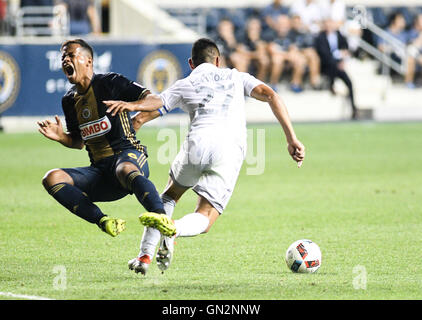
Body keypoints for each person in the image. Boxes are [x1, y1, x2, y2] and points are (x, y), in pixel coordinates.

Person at [104, 38, 305, 274]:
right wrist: (291, 138)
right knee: (206, 215)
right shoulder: (236, 76)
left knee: (168, 196)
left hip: (196, 144)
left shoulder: (186, 83)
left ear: (191, 63)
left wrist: (132, 106)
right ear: (218, 60)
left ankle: (144, 257)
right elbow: (271, 95)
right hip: (229, 150)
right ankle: (174, 228)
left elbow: (156, 103)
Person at [38, 39, 166, 240]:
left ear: (88, 60)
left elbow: (155, 100)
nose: (65, 60)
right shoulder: (69, 100)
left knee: (123, 168)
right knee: (52, 178)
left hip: (129, 157)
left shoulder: (111, 82)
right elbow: (79, 142)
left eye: (70, 55)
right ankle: (103, 221)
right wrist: (62, 137)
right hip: (101, 173)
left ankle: (161, 216)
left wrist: (132, 107)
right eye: (62, 56)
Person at [315, 18, 358, 120]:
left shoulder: (339, 35)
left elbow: (346, 48)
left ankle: (354, 108)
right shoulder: (320, 37)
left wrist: (342, 60)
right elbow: (324, 54)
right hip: (327, 66)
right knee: (332, 68)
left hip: (338, 66)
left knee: (349, 83)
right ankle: (331, 85)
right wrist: (338, 55)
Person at [267, 15, 307, 92]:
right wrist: (286, 54)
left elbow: (294, 49)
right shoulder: (271, 34)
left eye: (284, 24)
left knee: (301, 59)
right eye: (280, 24)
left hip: (287, 56)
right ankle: (273, 84)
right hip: (275, 57)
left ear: (288, 24)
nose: (283, 26)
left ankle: (295, 83)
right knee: (277, 59)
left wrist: (287, 54)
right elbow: (271, 50)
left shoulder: (293, 34)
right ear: (276, 24)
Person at [240, 16, 270, 81]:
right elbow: (241, 52)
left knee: (264, 61)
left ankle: (259, 83)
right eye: (252, 28)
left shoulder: (263, 37)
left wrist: (255, 41)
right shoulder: (242, 36)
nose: (254, 30)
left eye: (256, 28)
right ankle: (243, 83)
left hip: (256, 60)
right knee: (242, 60)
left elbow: (261, 53)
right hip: (245, 59)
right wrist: (253, 55)